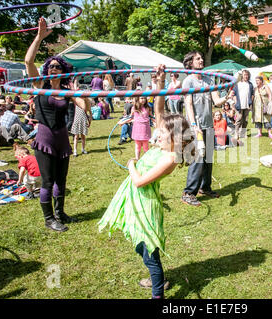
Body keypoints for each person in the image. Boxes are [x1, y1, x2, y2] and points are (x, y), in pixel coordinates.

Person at [98, 64, 194, 299]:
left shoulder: (171, 157)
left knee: (149, 252)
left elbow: (140, 182)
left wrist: (131, 165)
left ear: (174, 137)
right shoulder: (165, 145)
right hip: (135, 198)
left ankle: (157, 293)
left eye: (162, 133)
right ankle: (156, 279)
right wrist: (159, 83)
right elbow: (159, 107)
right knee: (140, 246)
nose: (157, 134)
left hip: (145, 203)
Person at [25, 17, 89, 232]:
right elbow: (28, 61)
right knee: (48, 180)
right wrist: (39, 37)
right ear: (46, 69)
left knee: (61, 180)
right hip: (44, 138)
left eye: (57, 66)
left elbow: (83, 105)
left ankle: (60, 212)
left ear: (62, 71)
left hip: (62, 137)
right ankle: (49, 218)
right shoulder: (39, 84)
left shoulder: (66, 90)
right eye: (50, 65)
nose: (53, 68)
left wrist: (78, 91)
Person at [181, 51, 227, 207]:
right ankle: (188, 193)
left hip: (208, 124)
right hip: (196, 126)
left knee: (208, 159)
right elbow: (188, 104)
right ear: (190, 63)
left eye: (201, 58)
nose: (201, 60)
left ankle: (205, 187)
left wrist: (227, 96)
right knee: (198, 159)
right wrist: (194, 125)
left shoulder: (208, 79)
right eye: (198, 58)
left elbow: (217, 101)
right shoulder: (188, 81)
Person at [232, 70, 254, 145]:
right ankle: (236, 134)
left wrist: (251, 102)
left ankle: (243, 133)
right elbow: (234, 94)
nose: (246, 76)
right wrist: (235, 102)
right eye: (245, 75)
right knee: (239, 119)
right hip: (239, 105)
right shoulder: (238, 84)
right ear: (242, 75)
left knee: (245, 120)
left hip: (247, 105)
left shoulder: (250, 84)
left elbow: (252, 94)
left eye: (247, 75)